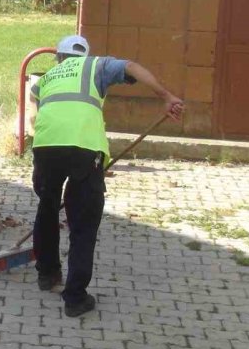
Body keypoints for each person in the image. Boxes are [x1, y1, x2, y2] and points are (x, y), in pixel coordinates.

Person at [30, 35, 183, 317]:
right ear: (84, 55)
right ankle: (75, 299)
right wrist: (166, 96)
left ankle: (47, 274)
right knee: (83, 223)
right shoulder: (95, 66)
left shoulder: (47, 77)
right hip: (84, 150)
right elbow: (133, 67)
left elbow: (36, 104)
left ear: (60, 58)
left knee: (47, 207)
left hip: (45, 147)